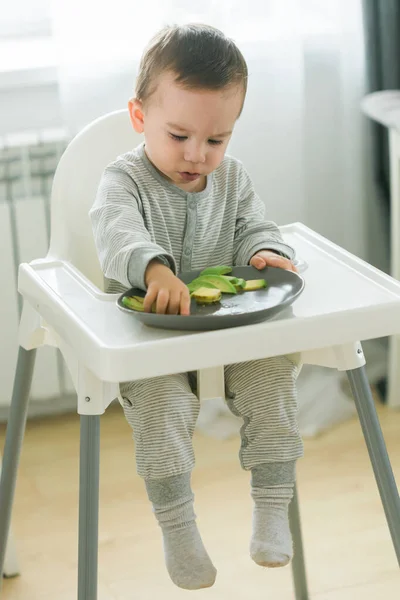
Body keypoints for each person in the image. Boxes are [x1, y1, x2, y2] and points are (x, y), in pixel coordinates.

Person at [90, 23, 303, 591]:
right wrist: (154, 268)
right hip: (153, 341)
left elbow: (257, 225)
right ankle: (178, 529)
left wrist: (264, 251)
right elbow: (116, 236)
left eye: (216, 140)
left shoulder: (232, 179)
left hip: (230, 335)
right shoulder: (122, 181)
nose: (196, 155)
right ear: (139, 117)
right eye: (179, 135)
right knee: (159, 411)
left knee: (273, 379)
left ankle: (271, 506)